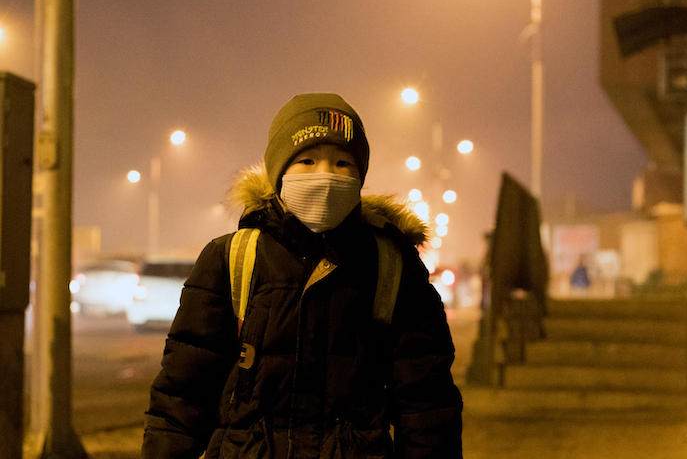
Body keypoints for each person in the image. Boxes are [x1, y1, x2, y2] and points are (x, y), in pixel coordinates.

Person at [141, 93, 463, 458]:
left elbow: (427, 405)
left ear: (360, 177)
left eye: (343, 163)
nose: (325, 175)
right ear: (278, 173)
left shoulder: (392, 265)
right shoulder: (230, 258)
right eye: (307, 160)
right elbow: (182, 395)